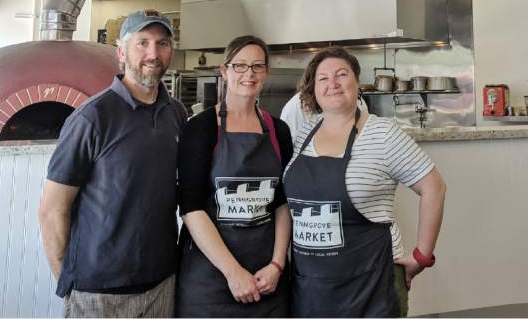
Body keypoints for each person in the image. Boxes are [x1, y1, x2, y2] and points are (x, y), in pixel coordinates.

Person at [38, 9, 186, 318]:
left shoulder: (176, 114)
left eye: (162, 43)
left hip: (161, 283)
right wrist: (71, 285)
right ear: (121, 53)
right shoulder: (92, 117)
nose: (153, 53)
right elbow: (52, 210)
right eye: (142, 43)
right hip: (98, 292)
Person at [283, 46, 447, 317]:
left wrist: (422, 255)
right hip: (312, 287)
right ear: (313, 89)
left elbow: (434, 187)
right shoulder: (304, 134)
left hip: (371, 284)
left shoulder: (383, 134)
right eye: (323, 78)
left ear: (357, 82)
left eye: (341, 74)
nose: (333, 84)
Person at [176, 35, 293, 317]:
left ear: (265, 72)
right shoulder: (201, 128)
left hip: (267, 279)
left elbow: (282, 203)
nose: (248, 74)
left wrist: (277, 264)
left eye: (257, 66)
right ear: (224, 71)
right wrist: (233, 272)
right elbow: (191, 208)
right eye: (239, 65)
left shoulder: (279, 131)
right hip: (210, 279)